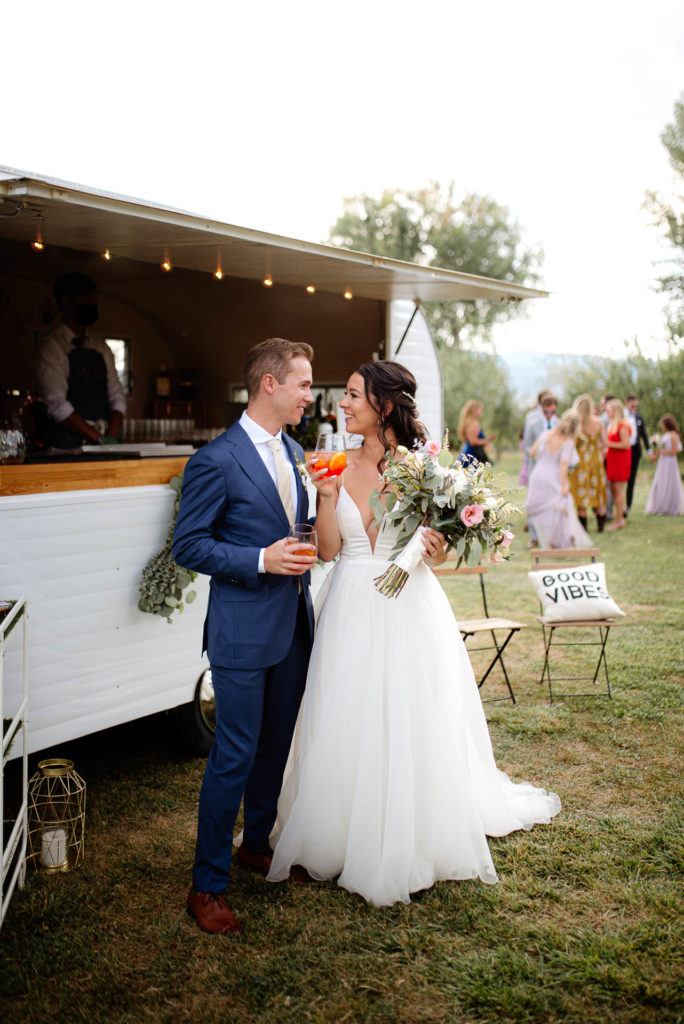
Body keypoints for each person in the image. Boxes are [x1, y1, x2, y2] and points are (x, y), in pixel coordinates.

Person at [267, 360, 560, 907]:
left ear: (383, 404)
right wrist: (326, 499)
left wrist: (435, 547)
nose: (343, 405)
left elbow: (442, 547)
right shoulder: (334, 464)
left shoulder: (428, 468)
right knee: (344, 712)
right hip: (352, 603)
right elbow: (328, 552)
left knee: (411, 711)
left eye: (353, 396)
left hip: (410, 607)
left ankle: (418, 826)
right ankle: (330, 832)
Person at [172, 338, 318, 934]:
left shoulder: (297, 450)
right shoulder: (215, 459)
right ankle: (206, 885)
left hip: (294, 626)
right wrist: (260, 559)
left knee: (274, 748)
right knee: (233, 755)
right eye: (304, 384)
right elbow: (188, 545)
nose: (310, 395)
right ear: (269, 385)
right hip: (239, 631)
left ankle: (256, 843)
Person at [34, 272, 126, 449]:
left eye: (94, 299)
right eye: (86, 299)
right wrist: (97, 438)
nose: (92, 304)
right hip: (65, 446)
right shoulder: (52, 347)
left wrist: (111, 438)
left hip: (103, 443)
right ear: (66, 302)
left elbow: (117, 396)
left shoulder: (100, 347)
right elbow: (56, 404)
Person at [526, 410, 592, 549]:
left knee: (547, 509)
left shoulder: (545, 434)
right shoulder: (568, 441)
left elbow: (532, 453)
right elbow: (563, 464)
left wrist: (544, 459)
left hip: (538, 474)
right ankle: (559, 541)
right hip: (553, 475)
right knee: (560, 506)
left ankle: (550, 541)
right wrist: (564, 485)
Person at [522, 392, 559, 546]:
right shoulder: (533, 423)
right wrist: (538, 453)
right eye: (547, 411)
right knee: (534, 501)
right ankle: (534, 537)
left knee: (552, 503)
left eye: (552, 411)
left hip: (553, 469)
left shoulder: (559, 424)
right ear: (542, 409)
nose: (549, 415)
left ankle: (551, 537)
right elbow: (526, 446)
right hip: (536, 468)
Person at [569, 394, 608, 532]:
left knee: (581, 496)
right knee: (597, 493)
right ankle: (600, 526)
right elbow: (605, 443)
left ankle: (584, 529)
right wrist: (601, 453)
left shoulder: (576, 426)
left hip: (580, 464)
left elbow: (571, 445)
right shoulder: (599, 422)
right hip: (596, 462)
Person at [645, 414, 683, 515]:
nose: (662, 426)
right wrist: (655, 454)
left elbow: (675, 451)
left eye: (663, 424)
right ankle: (660, 506)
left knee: (669, 482)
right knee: (661, 482)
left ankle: (670, 507)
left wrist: (662, 451)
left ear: (667, 424)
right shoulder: (665, 435)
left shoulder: (673, 435)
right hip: (662, 462)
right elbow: (659, 449)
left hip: (670, 463)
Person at [604, 399, 632, 531]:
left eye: (608, 410)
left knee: (618, 489)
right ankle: (619, 515)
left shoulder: (622, 426)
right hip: (612, 459)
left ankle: (619, 520)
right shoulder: (612, 425)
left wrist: (608, 444)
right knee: (614, 489)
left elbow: (626, 444)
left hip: (621, 461)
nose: (606, 412)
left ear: (615, 411)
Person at [624, 394, 651, 516]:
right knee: (620, 480)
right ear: (627, 403)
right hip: (623, 451)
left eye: (636, 404)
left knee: (631, 480)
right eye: (632, 404)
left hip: (635, 451)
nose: (635, 406)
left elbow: (644, 435)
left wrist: (649, 451)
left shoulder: (638, 416)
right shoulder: (622, 416)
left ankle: (628, 506)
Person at [457, 399, 496, 464]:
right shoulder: (474, 423)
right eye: (480, 410)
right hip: (470, 455)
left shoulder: (469, 422)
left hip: (468, 454)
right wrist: (488, 441)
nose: (481, 413)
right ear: (474, 411)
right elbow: (473, 441)